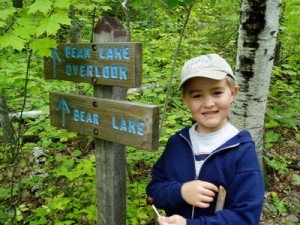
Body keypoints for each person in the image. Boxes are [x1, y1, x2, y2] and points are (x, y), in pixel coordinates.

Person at [146, 54, 264, 225]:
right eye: (196, 95)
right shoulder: (177, 143)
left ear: (233, 93)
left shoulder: (241, 150)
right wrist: (180, 192)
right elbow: (154, 190)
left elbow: (246, 217)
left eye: (217, 92)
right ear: (185, 99)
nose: (208, 103)